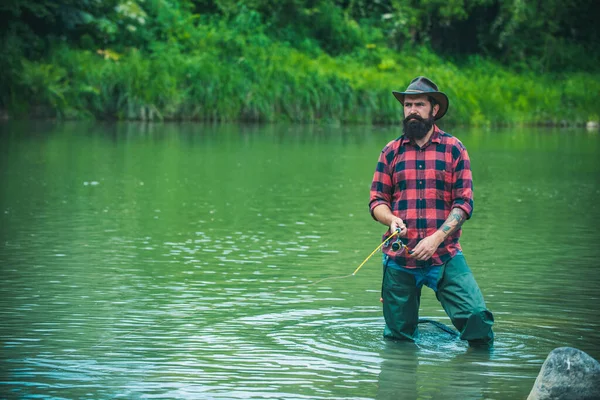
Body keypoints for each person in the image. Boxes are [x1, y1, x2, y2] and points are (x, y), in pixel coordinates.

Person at [369, 76, 494, 347]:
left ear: (434, 110)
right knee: (398, 341)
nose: (411, 110)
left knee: (478, 320)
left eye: (419, 104)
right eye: (407, 104)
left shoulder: (455, 150)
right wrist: (391, 220)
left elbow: (464, 204)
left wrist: (436, 238)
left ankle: (474, 376)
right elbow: (377, 201)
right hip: (400, 259)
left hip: (445, 256)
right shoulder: (390, 152)